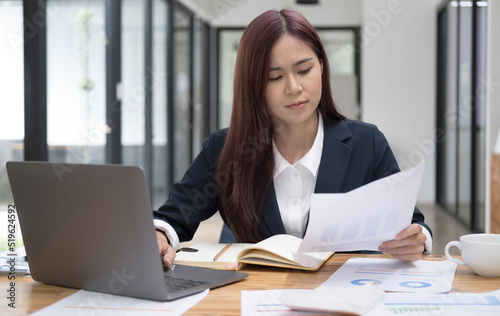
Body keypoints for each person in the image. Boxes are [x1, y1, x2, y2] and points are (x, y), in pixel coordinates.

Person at [153, 9, 432, 266]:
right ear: (254, 86)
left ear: (322, 66)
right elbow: (171, 218)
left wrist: (417, 240)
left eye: (304, 70)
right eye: (274, 77)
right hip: (256, 296)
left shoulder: (366, 143)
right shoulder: (226, 149)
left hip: (343, 293)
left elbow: (412, 223)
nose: (294, 87)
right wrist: (160, 236)